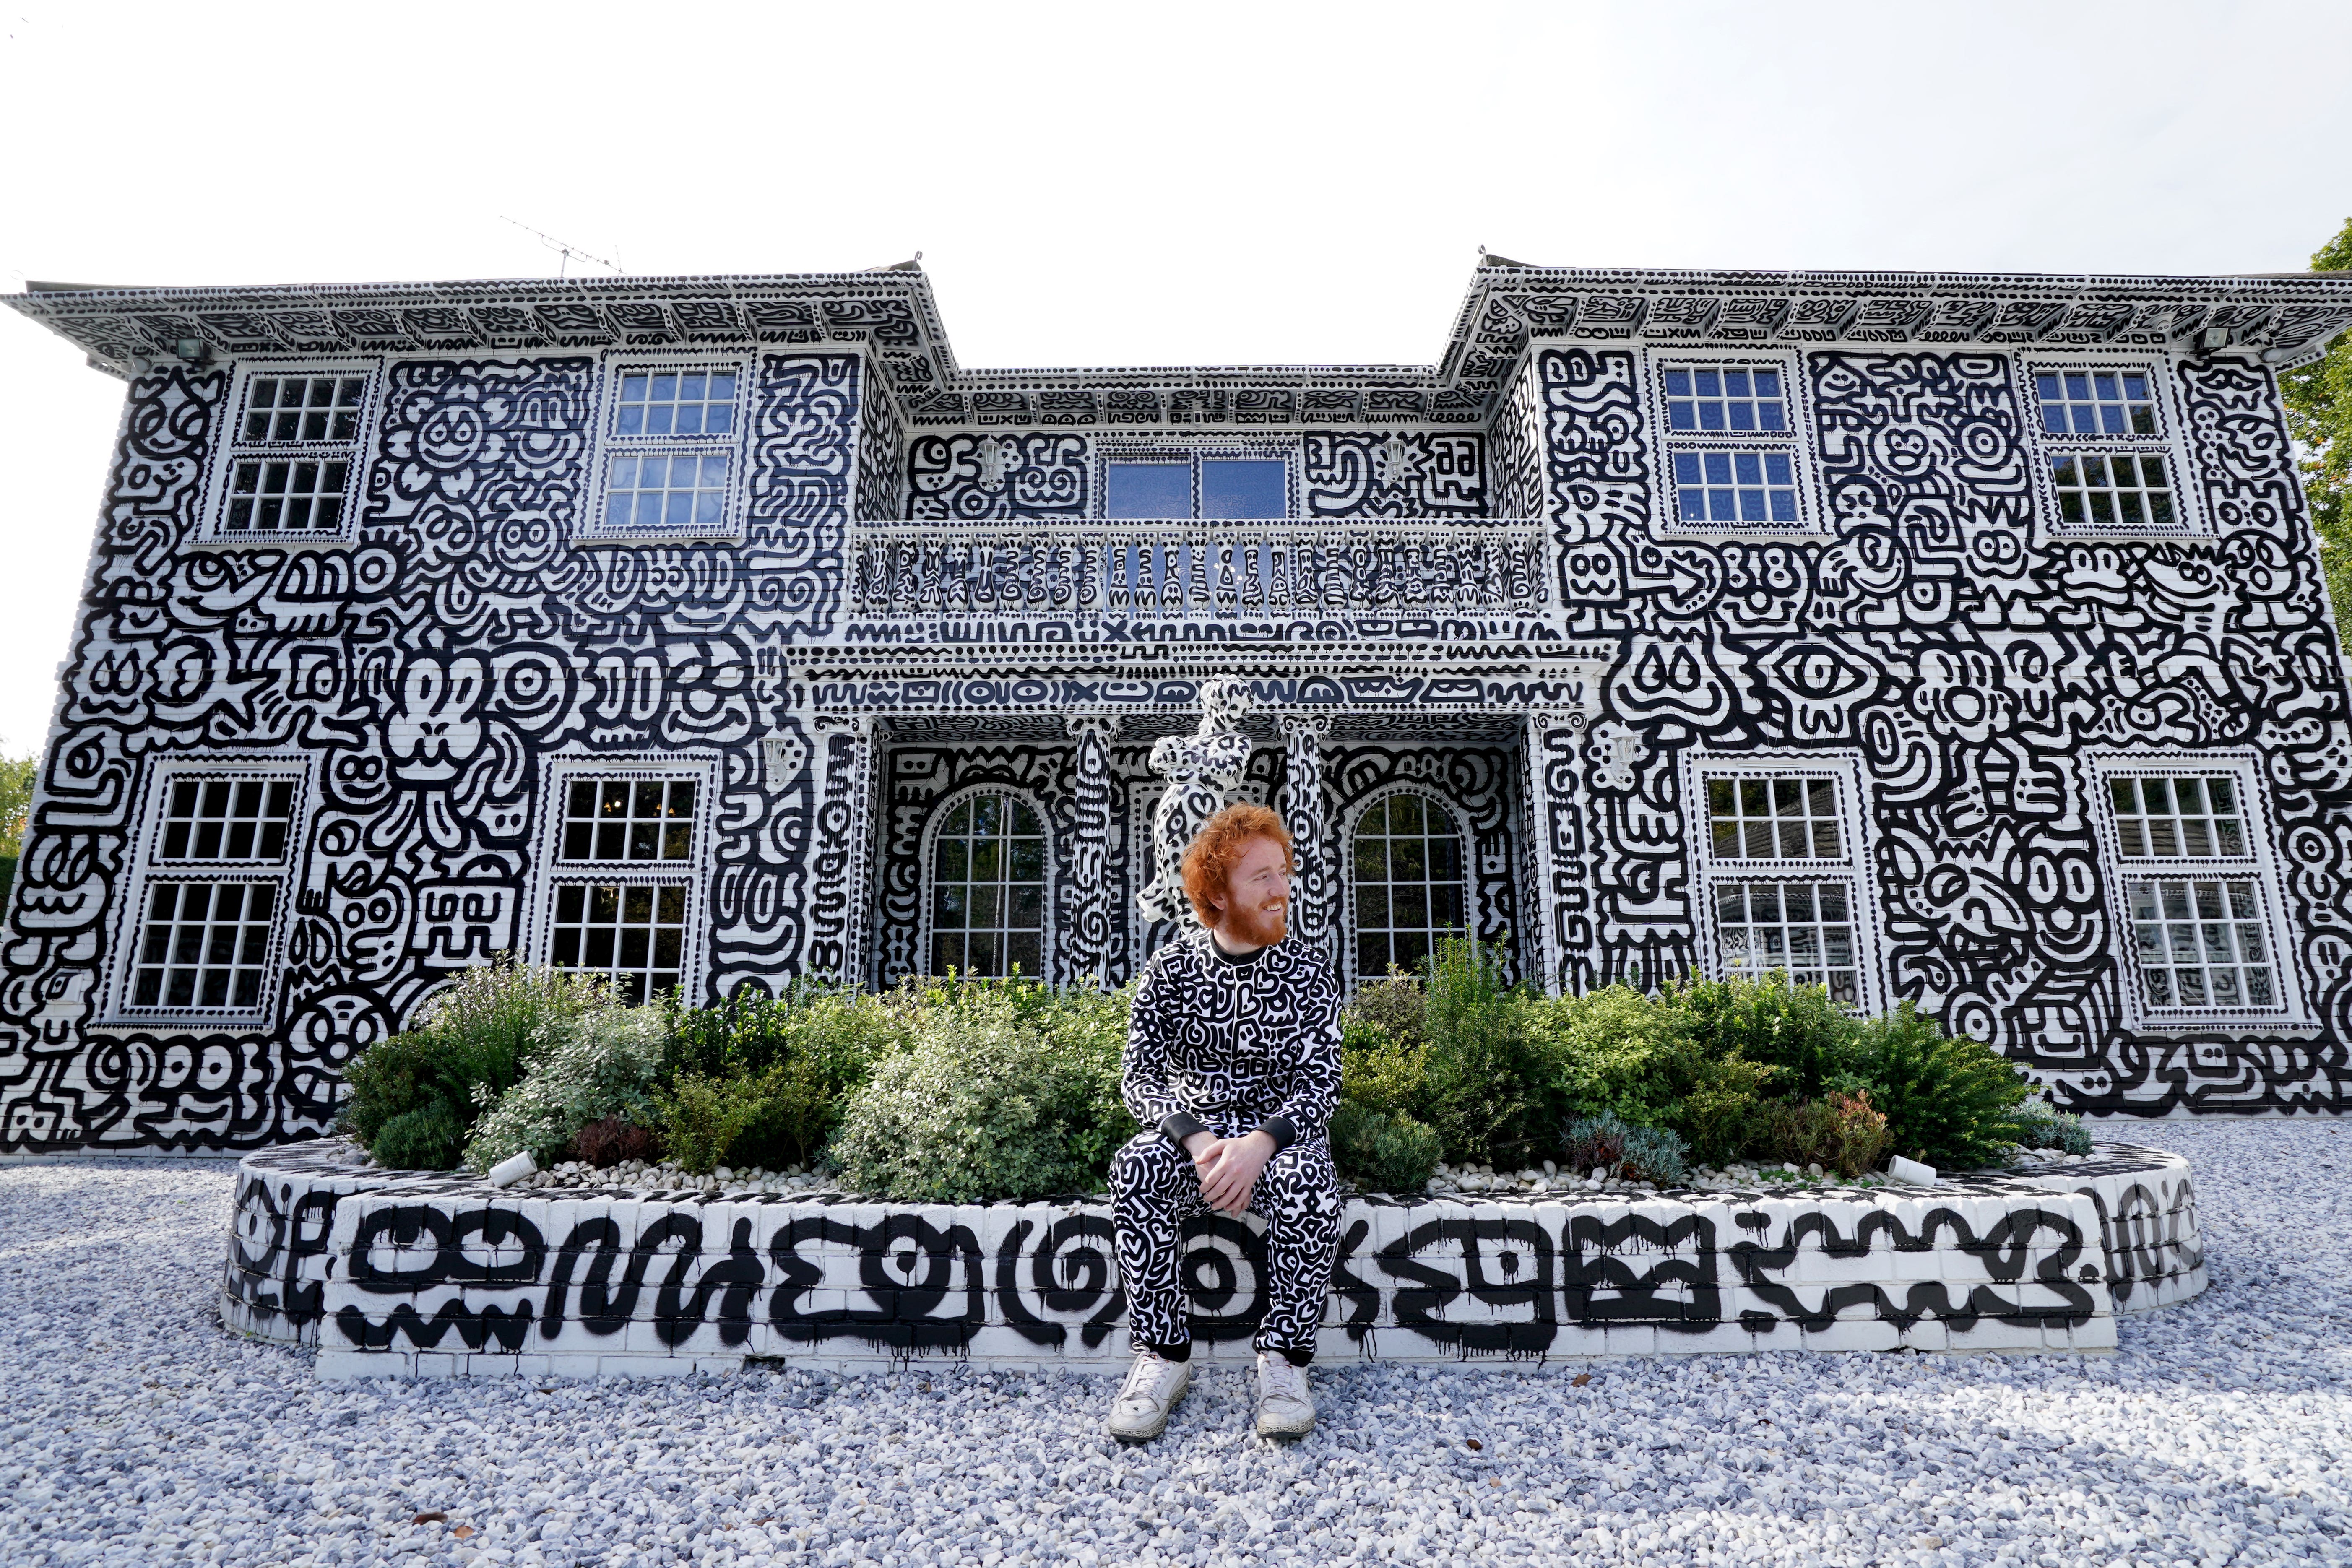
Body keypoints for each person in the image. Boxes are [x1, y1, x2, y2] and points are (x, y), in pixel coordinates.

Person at [1105, 803, 1343, 1442]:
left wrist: (1261, 1144)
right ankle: (1162, 1357)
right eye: (1262, 877)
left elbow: (1322, 1080)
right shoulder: (1171, 973)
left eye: (1284, 872)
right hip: (1197, 1140)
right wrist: (1201, 1140)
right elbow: (1141, 1075)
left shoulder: (1308, 974)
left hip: (1278, 1140)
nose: (1282, 889)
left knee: (1309, 1188)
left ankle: (1284, 1363)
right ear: (1217, 892)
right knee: (1136, 1169)